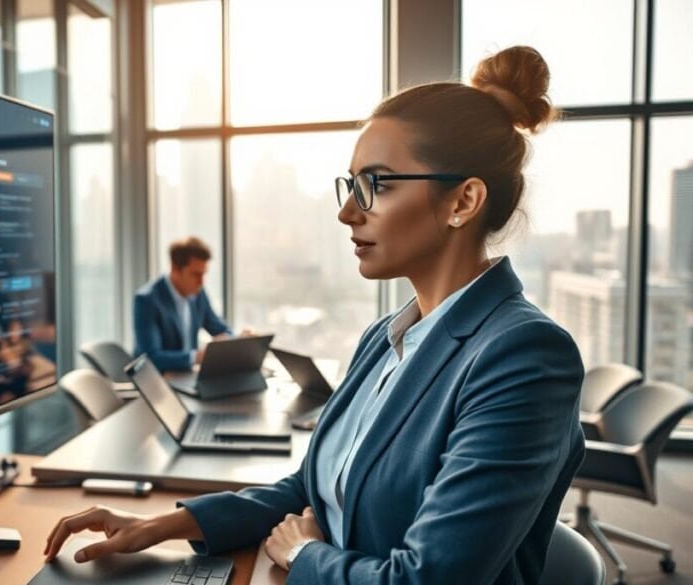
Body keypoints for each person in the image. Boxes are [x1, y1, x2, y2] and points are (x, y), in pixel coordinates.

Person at [45, 46, 585, 584]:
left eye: (376, 184)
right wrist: (164, 525)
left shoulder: (524, 356)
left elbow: (429, 579)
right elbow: (313, 486)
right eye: (351, 185)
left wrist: (304, 555)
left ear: (462, 202)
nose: (347, 212)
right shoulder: (385, 338)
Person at [133, 236, 233, 371]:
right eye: (196, 274)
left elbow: (222, 329)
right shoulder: (146, 300)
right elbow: (151, 358)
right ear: (175, 268)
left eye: (204, 274)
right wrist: (197, 357)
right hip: (159, 377)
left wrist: (229, 340)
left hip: (187, 375)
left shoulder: (198, 294)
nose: (201, 282)